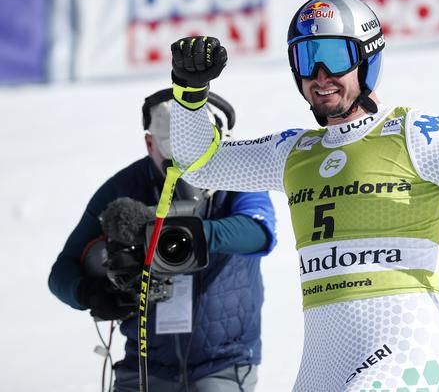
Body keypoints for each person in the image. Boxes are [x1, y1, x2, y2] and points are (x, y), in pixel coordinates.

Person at [167, 0, 439, 391]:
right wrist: (190, 92)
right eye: (307, 59)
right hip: (322, 366)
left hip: (405, 353)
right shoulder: (293, 152)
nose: (321, 76)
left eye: (335, 57)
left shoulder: (414, 132)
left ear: (368, 59)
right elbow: (199, 164)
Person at [48, 88, 277, 392]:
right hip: (143, 364)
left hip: (222, 363)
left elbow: (259, 234)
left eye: (197, 156)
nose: (185, 170)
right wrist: (92, 293)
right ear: (149, 143)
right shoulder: (122, 188)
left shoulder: (236, 176)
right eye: (173, 158)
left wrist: (183, 233)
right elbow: (61, 273)